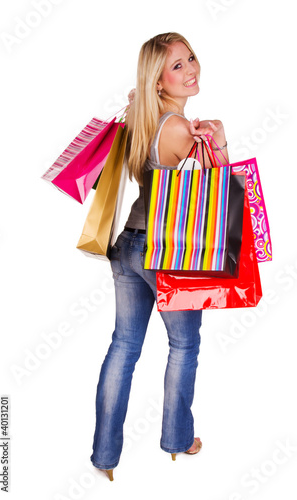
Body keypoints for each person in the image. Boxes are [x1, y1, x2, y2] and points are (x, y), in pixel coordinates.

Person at [90, 32, 229, 481]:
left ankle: (104, 456)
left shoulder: (140, 116)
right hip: (164, 252)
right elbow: (219, 193)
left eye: (191, 58)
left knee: (124, 346)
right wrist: (220, 141)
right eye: (177, 66)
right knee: (184, 344)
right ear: (158, 80)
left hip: (127, 243)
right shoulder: (177, 129)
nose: (191, 69)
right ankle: (177, 439)